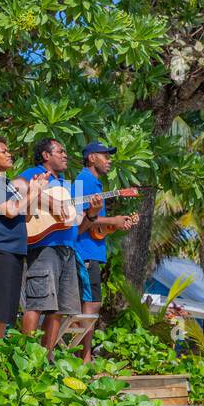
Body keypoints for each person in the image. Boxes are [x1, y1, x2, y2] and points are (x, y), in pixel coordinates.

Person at [18, 137, 101, 359]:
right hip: (44, 247)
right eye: (60, 151)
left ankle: (47, 358)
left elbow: (80, 227)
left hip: (68, 249)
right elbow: (18, 186)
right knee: (37, 303)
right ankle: (26, 356)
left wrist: (92, 214)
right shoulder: (35, 174)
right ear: (46, 156)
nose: (66, 155)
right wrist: (51, 203)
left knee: (59, 309)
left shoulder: (67, 185)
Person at [0, 134, 48, 342]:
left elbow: (24, 214)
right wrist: (33, 192)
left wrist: (34, 192)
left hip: (12, 251)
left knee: (5, 312)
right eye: (4, 151)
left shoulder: (5, 184)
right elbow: (11, 211)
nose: (9, 154)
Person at [73, 141, 138, 362]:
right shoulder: (83, 180)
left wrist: (115, 224)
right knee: (89, 305)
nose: (109, 161)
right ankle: (84, 357)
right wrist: (112, 220)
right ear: (92, 158)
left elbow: (95, 227)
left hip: (93, 250)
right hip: (84, 252)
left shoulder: (96, 184)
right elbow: (79, 218)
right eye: (105, 156)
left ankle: (85, 355)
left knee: (92, 305)